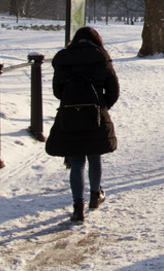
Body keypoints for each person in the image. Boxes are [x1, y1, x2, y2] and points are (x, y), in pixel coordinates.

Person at [46, 26, 119, 222]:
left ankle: (78, 206)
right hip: (94, 115)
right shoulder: (101, 57)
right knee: (95, 157)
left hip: (70, 116)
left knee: (77, 161)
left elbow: (57, 91)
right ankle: (95, 195)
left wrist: (71, 101)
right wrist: (102, 107)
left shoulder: (63, 59)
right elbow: (113, 89)